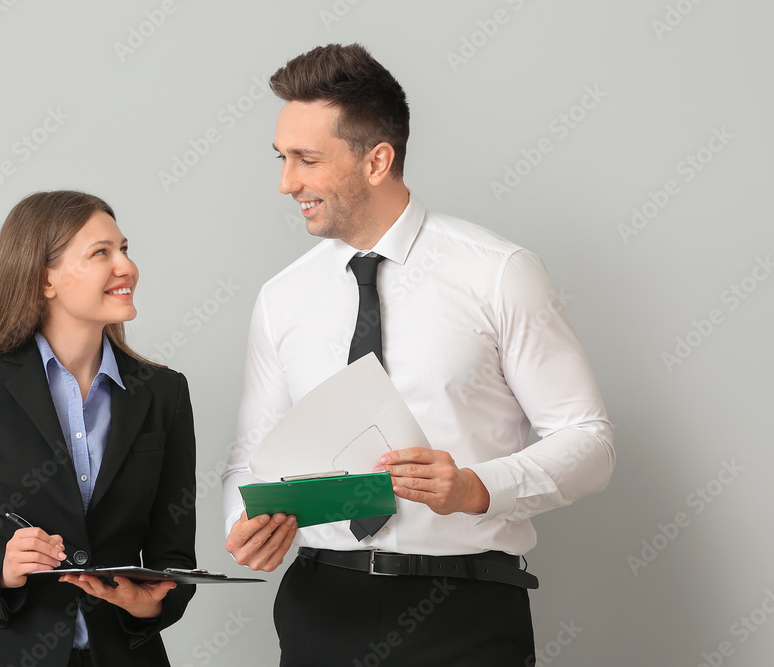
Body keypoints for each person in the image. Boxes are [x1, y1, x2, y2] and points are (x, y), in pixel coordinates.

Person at [221, 44, 615, 665]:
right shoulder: (282, 298)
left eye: (307, 159)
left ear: (377, 160)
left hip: (465, 607)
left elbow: (591, 443)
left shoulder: (499, 274)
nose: (285, 181)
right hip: (318, 606)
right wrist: (240, 521)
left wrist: (476, 487)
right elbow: (251, 452)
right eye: (282, 158)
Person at [0, 190, 196, 667]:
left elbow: (174, 560)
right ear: (44, 279)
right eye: (101, 253)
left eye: (125, 249)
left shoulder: (164, 393)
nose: (126, 267)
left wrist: (151, 604)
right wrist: (0, 569)